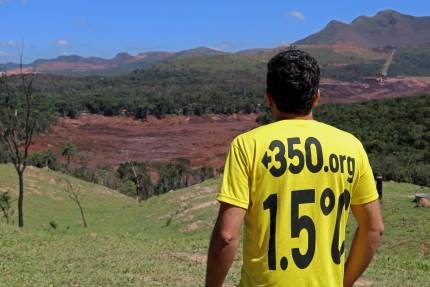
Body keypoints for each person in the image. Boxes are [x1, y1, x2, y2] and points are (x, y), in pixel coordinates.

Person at [206, 49, 384, 287]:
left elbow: (226, 236)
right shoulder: (351, 146)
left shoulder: (248, 145)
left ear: (269, 98)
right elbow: (373, 228)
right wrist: (344, 282)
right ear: (316, 97)